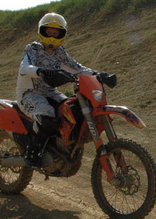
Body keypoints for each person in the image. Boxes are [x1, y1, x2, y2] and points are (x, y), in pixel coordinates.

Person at [16, 12, 103, 169]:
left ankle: (60, 147)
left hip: (51, 93)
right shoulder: (33, 48)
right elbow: (24, 68)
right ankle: (32, 153)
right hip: (29, 94)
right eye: (49, 32)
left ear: (62, 34)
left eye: (55, 33)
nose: (51, 36)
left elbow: (76, 68)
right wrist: (40, 71)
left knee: (72, 111)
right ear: (42, 31)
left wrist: (98, 74)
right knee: (48, 116)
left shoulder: (60, 52)